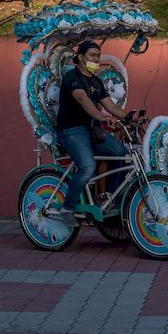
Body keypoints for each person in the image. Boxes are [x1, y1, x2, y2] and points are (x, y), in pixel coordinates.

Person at [50, 41, 136, 227]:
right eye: (92, 56)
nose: (96, 59)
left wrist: (132, 117)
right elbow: (82, 99)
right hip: (71, 130)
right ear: (81, 58)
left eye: (98, 55)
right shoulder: (72, 76)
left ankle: (107, 198)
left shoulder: (96, 81)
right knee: (87, 167)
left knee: (121, 153)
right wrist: (100, 117)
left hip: (91, 130)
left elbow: (111, 106)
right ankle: (68, 207)